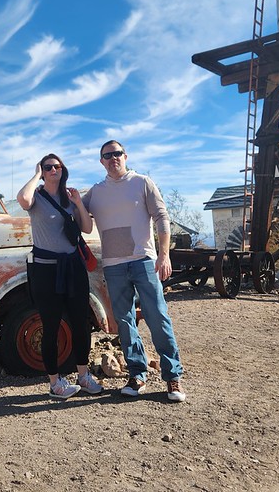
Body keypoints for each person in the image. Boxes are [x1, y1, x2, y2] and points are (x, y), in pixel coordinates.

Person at [82, 140, 186, 402]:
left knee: (157, 317)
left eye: (117, 153)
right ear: (101, 161)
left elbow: (162, 218)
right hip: (114, 265)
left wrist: (164, 255)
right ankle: (137, 375)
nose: (113, 158)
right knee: (125, 322)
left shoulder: (142, 182)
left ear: (125, 156)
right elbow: (76, 214)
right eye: (107, 155)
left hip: (143, 261)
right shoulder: (95, 192)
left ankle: (172, 376)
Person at [17, 153, 104, 399]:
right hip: (46, 269)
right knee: (51, 325)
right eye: (48, 167)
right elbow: (22, 199)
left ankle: (83, 376)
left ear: (63, 169)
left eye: (57, 166)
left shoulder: (69, 198)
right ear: (42, 170)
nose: (53, 170)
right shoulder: (36, 198)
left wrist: (77, 203)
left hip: (73, 267)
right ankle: (55, 383)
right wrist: (36, 175)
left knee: (80, 322)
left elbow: (86, 228)